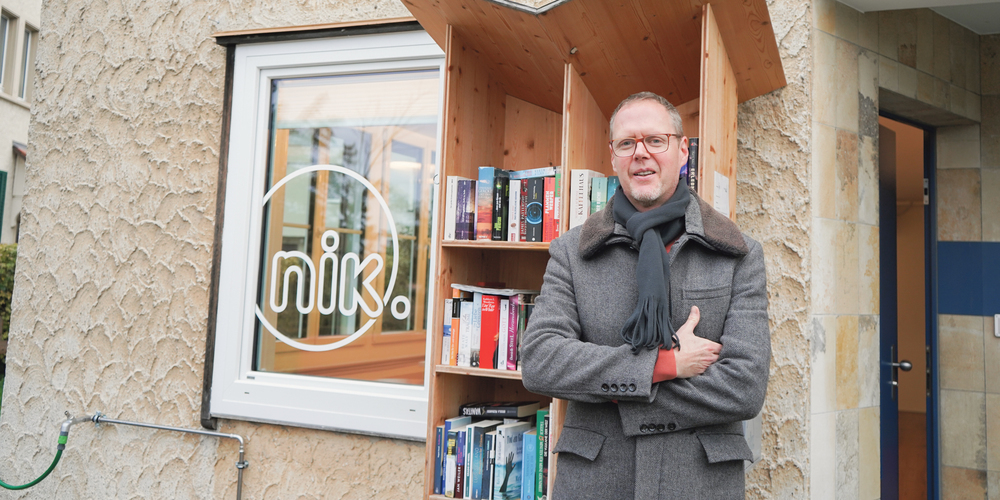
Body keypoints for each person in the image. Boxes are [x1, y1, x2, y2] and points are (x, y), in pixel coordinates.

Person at [520, 91, 770, 500]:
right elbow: (542, 361)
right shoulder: (572, 251)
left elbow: (744, 386)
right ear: (614, 157)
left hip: (699, 483)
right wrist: (665, 365)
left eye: (656, 140)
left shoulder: (738, 253)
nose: (641, 153)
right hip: (596, 481)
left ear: (682, 151)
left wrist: (616, 391)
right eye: (627, 143)